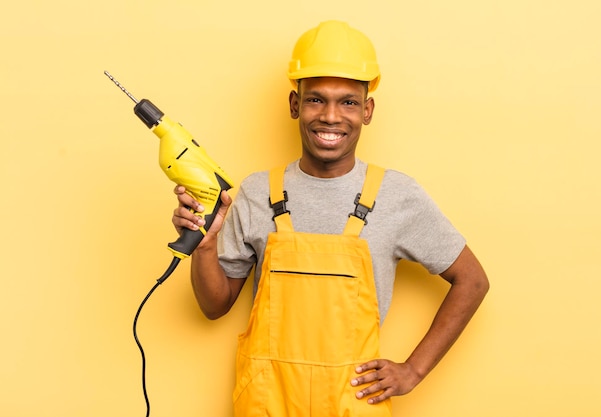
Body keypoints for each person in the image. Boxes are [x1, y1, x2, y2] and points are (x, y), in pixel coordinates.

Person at [172, 20, 489, 417]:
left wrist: (413, 370)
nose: (331, 116)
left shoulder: (396, 196)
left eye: (349, 102)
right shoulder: (256, 193)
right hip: (267, 403)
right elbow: (214, 306)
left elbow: (473, 281)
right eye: (316, 99)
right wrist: (205, 247)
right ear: (294, 105)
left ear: (367, 110)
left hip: (352, 404)